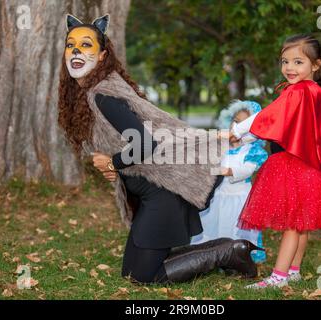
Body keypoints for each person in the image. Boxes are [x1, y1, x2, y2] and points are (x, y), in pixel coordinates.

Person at [57, 13, 261, 284]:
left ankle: (228, 254)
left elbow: (144, 143)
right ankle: (233, 249)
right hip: (148, 189)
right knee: (130, 272)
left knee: (143, 276)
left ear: (103, 55)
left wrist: (112, 163)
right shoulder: (94, 91)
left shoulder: (104, 95)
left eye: (85, 45)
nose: (76, 51)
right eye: (71, 45)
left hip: (163, 188)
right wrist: (113, 163)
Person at [229, 34, 321, 289]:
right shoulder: (312, 91)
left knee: (292, 226)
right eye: (285, 61)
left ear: (315, 65)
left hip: (292, 164)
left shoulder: (298, 91)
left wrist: (239, 131)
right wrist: (247, 137)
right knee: (301, 222)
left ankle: (278, 276)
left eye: (298, 62)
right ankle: (294, 270)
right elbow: (279, 124)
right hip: (306, 166)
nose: (289, 68)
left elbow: (267, 117)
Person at [191, 100, 268, 264]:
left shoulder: (253, 151)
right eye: (235, 121)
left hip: (239, 198)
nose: (236, 126)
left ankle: (236, 259)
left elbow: (245, 170)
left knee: (234, 228)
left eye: (242, 124)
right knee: (214, 224)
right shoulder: (223, 146)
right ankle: (212, 255)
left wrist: (221, 170)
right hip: (219, 195)